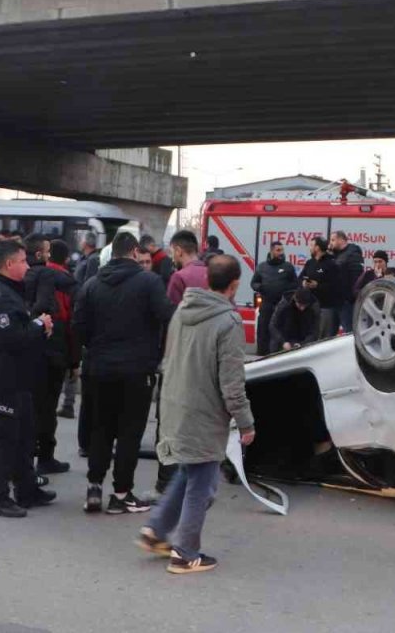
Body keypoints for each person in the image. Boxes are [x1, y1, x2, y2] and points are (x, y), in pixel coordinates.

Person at [137, 254, 255, 573]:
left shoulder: (182, 310)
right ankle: (186, 553)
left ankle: (156, 530)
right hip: (204, 412)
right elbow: (232, 382)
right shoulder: (228, 322)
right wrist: (245, 423)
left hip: (175, 403)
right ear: (234, 285)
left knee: (189, 472)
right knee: (202, 482)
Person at [73, 232, 175, 515]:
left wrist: (94, 346)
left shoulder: (92, 284)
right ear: (133, 252)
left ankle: (94, 487)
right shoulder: (149, 283)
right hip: (136, 369)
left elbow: (79, 326)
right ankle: (121, 494)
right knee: (129, 432)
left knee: (100, 429)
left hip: (98, 369)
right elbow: (168, 316)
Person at [0, 239, 58, 517]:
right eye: (23, 261)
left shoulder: (10, 291)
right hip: (3, 380)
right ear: (9, 264)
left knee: (25, 437)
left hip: (19, 378)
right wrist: (38, 325)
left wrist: (37, 327)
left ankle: (27, 490)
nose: (28, 265)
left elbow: (21, 329)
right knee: (4, 439)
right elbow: (11, 338)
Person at [23, 235, 78, 475]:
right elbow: (71, 319)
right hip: (52, 348)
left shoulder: (17, 277)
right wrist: (74, 359)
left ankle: (26, 457)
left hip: (27, 350)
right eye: (44, 250)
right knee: (46, 407)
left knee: (29, 406)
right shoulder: (55, 278)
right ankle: (44, 456)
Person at [250, 241, 298, 357]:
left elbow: (295, 283)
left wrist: (285, 289)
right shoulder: (262, 267)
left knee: (280, 330)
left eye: (282, 250)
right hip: (267, 303)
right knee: (263, 329)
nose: (281, 253)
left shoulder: (288, 267)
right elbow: (253, 283)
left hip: (282, 305)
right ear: (271, 251)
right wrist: (261, 287)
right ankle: (261, 354)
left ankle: (279, 355)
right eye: (278, 250)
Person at [299, 237, 340, 338]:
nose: (310, 248)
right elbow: (299, 278)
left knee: (323, 339)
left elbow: (335, 286)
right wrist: (303, 283)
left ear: (317, 248)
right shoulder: (310, 263)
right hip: (309, 307)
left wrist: (317, 285)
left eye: (312, 245)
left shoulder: (331, 264)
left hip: (325, 307)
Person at [329, 230, 365, 334]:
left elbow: (356, 278)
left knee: (348, 332)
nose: (330, 243)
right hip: (334, 300)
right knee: (329, 334)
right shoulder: (336, 255)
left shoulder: (352, 254)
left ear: (341, 240)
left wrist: (349, 297)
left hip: (346, 302)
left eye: (333, 240)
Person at [166, 231, 208, 304]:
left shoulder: (179, 277)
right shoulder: (213, 272)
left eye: (172, 252)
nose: (172, 259)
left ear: (178, 251)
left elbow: (171, 311)